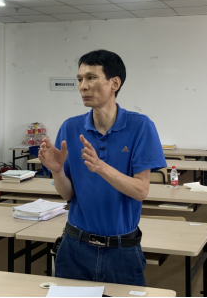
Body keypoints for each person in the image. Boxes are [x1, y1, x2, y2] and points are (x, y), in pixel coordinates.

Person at [38, 49, 166, 286]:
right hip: (75, 246)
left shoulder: (140, 126)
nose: (83, 86)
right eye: (79, 79)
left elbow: (141, 190)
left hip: (122, 250)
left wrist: (100, 167)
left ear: (114, 83)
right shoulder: (70, 127)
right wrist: (57, 170)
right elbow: (68, 194)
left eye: (91, 78)